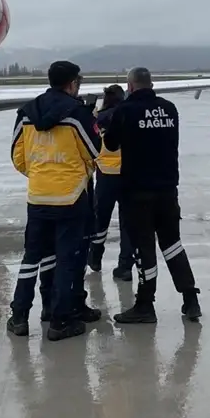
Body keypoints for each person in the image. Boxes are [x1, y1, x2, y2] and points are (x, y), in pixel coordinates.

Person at [7, 60, 102, 341]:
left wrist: (38, 174)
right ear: (72, 84)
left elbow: (17, 156)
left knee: (31, 258)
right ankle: (60, 320)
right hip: (71, 197)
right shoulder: (77, 114)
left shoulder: (26, 113)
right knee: (66, 260)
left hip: (38, 196)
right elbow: (94, 151)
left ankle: (19, 317)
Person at [104, 66, 201, 323]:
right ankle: (191, 298)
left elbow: (111, 144)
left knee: (144, 249)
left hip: (137, 192)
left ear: (131, 86)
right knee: (173, 245)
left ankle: (145, 304)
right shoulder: (169, 109)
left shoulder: (125, 111)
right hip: (167, 189)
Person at [89, 84, 136, 280]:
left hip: (105, 174)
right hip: (127, 174)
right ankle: (125, 266)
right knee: (128, 222)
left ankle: (95, 257)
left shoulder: (98, 118)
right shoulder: (129, 116)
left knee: (100, 219)